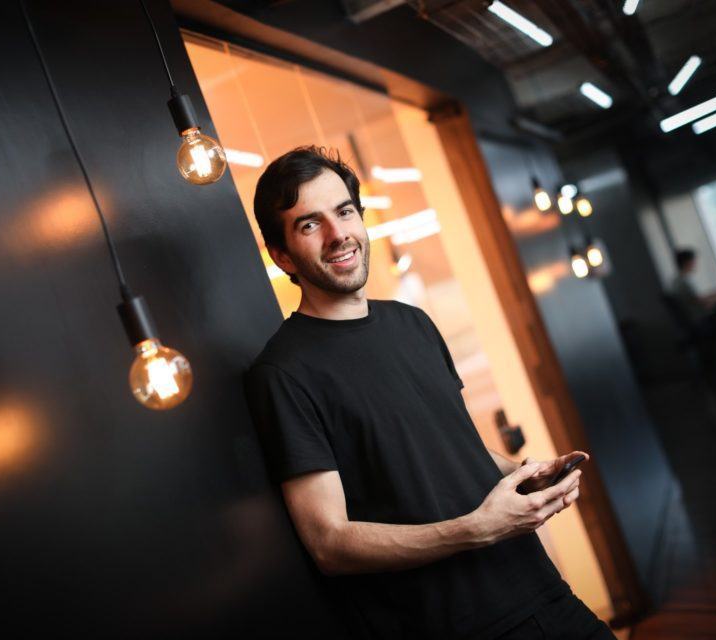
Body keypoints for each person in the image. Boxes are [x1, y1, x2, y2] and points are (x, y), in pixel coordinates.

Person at [243, 146, 615, 639]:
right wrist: (477, 528)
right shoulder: (283, 373)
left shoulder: (412, 322)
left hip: (542, 590)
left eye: (344, 211)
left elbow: (451, 445)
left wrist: (527, 472)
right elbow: (329, 543)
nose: (338, 235)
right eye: (310, 225)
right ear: (283, 255)